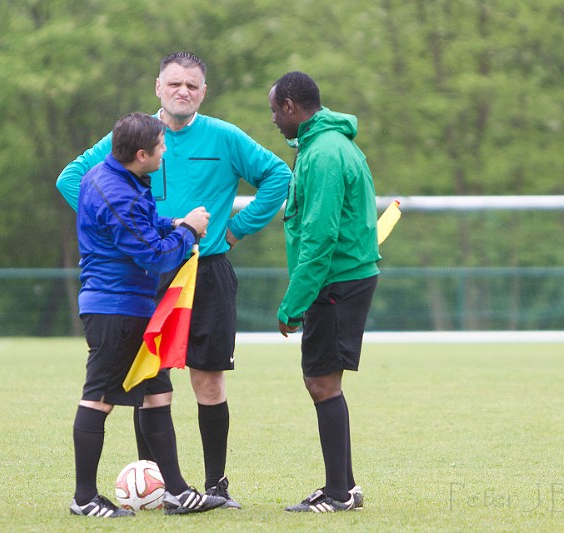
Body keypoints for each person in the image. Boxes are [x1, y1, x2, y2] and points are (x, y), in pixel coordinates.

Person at [57, 51, 292, 508]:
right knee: (149, 381)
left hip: (206, 269)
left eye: (192, 85)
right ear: (158, 87)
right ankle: (160, 487)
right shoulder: (133, 135)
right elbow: (72, 179)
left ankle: (215, 487)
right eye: (174, 83)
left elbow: (278, 175)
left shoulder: (224, 136)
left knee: (207, 380)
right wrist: (125, 231)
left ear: (203, 92)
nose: (182, 91)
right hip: (148, 270)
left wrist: (236, 229)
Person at [69, 112, 227, 518]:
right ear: (141, 154)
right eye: (160, 147)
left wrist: (170, 221)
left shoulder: (120, 176)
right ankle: (84, 498)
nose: (165, 151)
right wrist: (188, 230)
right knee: (98, 398)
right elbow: (156, 256)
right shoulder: (114, 191)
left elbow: (143, 222)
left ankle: (175, 492)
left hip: (136, 309)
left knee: (158, 394)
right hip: (114, 310)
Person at [268, 72, 380, 513]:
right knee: (323, 381)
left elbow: (319, 237)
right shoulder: (323, 146)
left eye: (276, 110)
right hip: (338, 279)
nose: (274, 119)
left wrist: (292, 305)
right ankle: (343, 486)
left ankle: (339, 493)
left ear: (292, 106)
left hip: (336, 282)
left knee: (321, 382)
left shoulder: (327, 153)